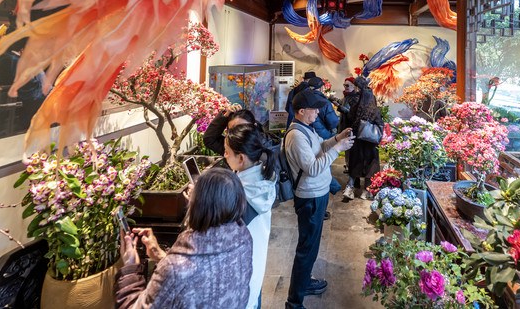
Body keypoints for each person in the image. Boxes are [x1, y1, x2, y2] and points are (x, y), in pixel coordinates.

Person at [116, 167, 253, 309]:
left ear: (197, 207)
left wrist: (130, 267)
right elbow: (205, 275)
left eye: (191, 200)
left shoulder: (175, 269)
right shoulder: (244, 239)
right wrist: (162, 256)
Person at [284, 90, 354, 309]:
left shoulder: (306, 128)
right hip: (310, 197)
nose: (318, 112)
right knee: (306, 249)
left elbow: (320, 148)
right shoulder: (295, 136)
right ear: (302, 111)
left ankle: (305, 283)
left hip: (317, 194)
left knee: (311, 247)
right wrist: (338, 149)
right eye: (315, 109)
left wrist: (336, 139)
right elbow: (313, 168)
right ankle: (294, 301)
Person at [205, 118, 277, 309]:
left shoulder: (241, 195)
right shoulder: (261, 178)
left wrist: (199, 203)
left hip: (239, 280)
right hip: (254, 269)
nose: (224, 154)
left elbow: (219, 236)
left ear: (241, 158)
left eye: (227, 151)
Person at [0, 30, 47, 131]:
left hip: (14, 97)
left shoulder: (8, 57)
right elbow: (29, 87)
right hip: (20, 100)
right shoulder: (14, 60)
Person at [343, 76, 382, 201]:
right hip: (370, 140)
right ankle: (366, 190)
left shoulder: (355, 101)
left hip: (357, 138)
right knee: (370, 163)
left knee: (355, 162)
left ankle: (350, 188)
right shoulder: (373, 103)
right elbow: (379, 121)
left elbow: (350, 117)